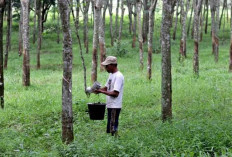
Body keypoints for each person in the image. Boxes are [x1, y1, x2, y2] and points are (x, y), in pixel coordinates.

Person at [94, 56, 124, 136]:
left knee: (113, 126)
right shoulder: (111, 75)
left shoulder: (118, 76)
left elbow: (115, 93)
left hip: (115, 105)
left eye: (107, 66)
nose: (106, 68)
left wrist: (101, 91)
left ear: (112, 65)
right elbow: (106, 88)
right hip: (110, 104)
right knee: (110, 125)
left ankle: (115, 141)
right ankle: (113, 139)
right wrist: (97, 90)